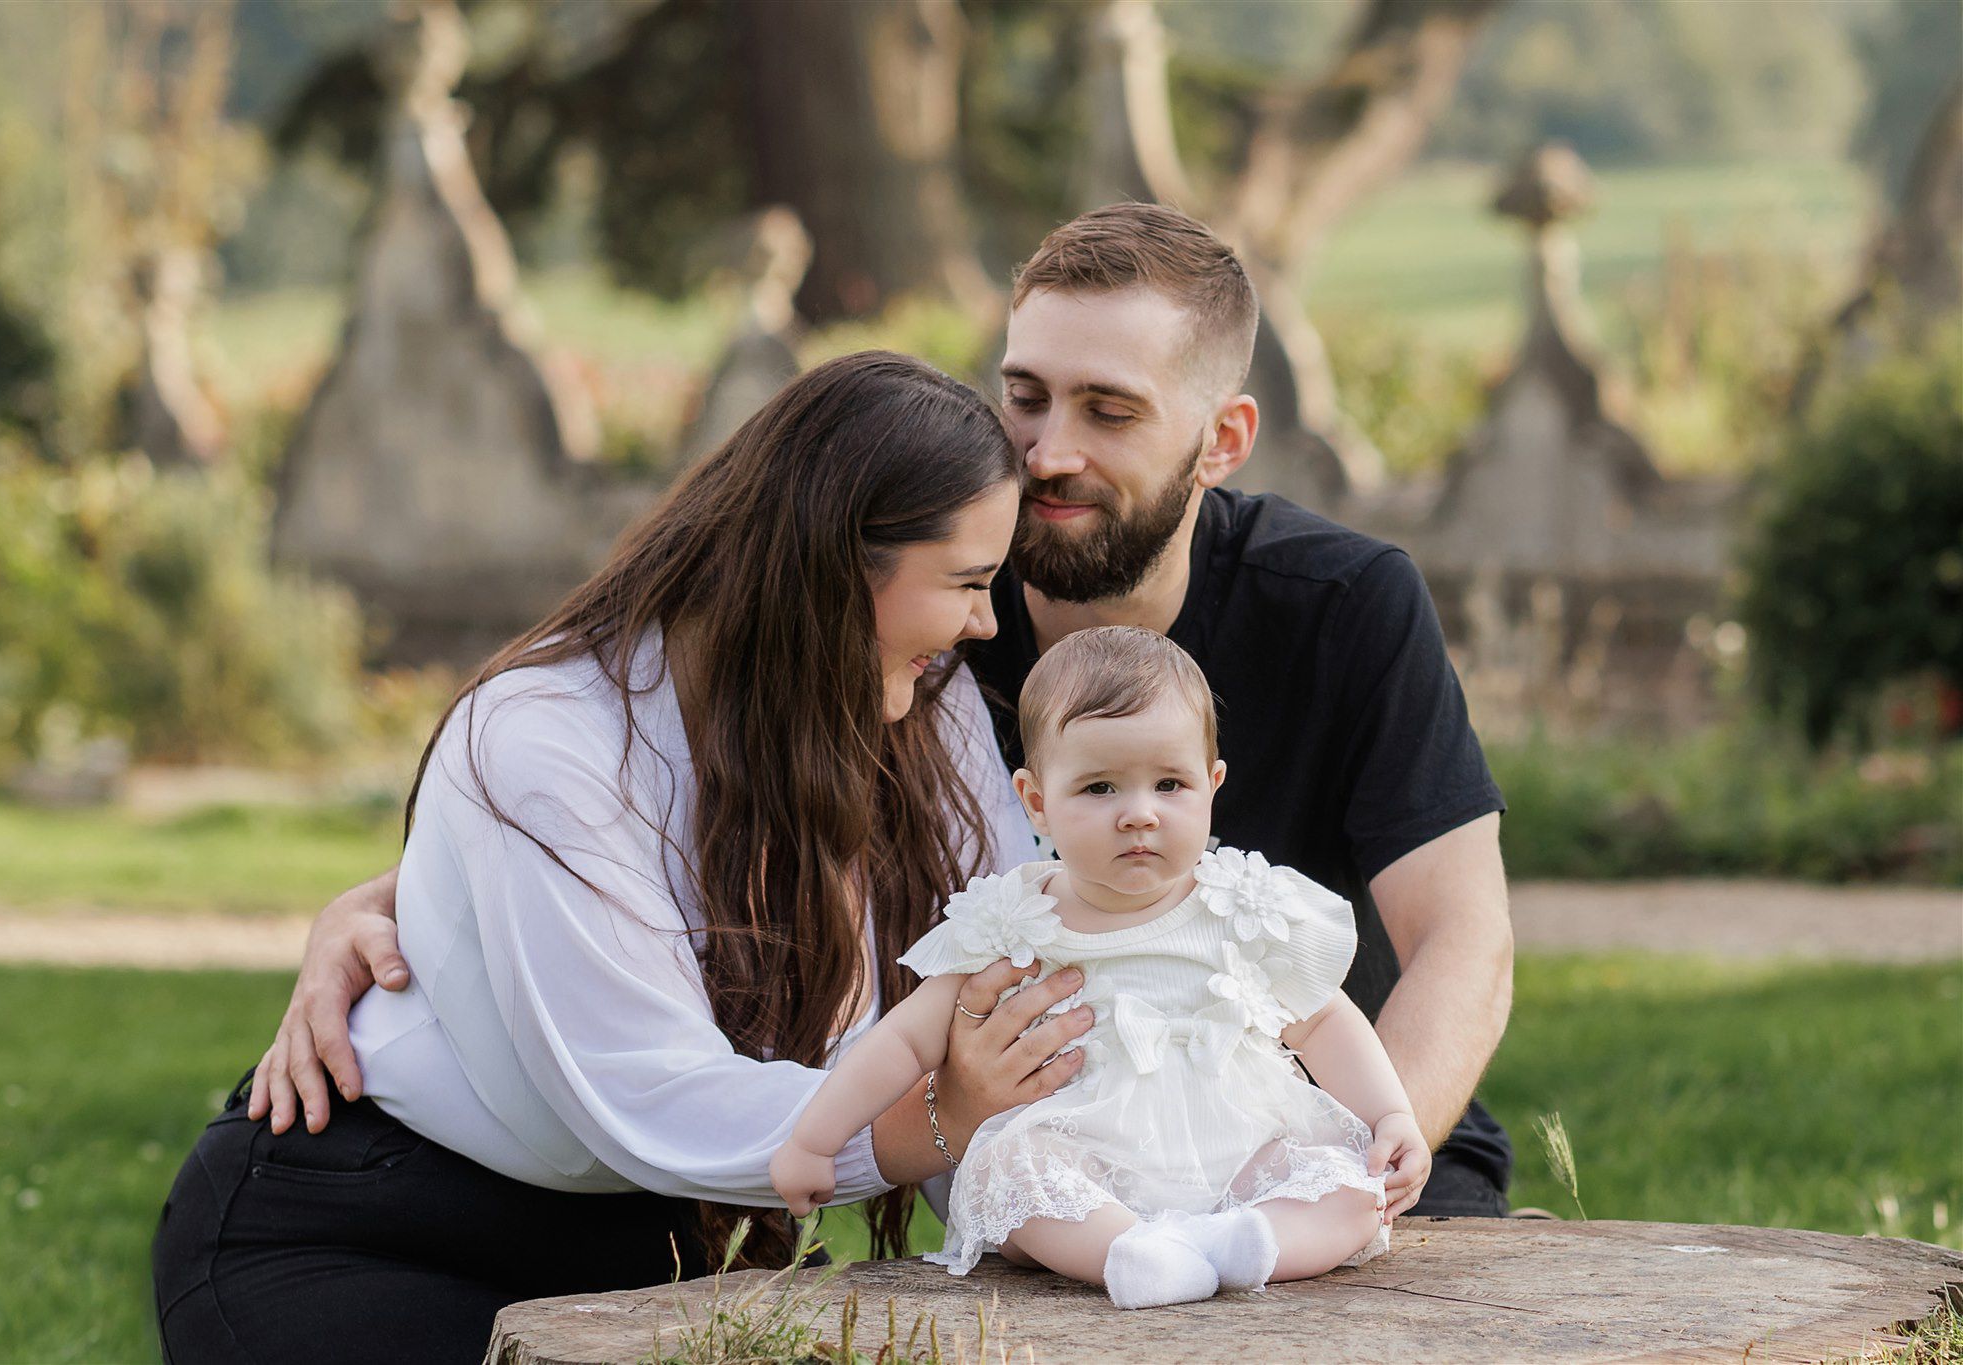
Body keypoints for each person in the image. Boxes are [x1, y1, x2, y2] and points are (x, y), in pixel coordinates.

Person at [258, 203, 1515, 1219]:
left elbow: (1463, 941)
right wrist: (397, 905)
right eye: (1025, 395)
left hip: (1327, 1119)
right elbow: (652, 783)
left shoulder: (1342, 603)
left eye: (1108, 410)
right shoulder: (923, 621)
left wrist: (1331, 1174)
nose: (1046, 451)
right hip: (1060, 1155)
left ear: (1223, 438)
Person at [151, 352, 1094, 1363]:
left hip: (659, 1241)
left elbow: (1009, 986)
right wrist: (940, 1115)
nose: (984, 621)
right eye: (966, 582)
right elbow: (655, 1094)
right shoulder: (544, 737)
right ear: (834, 568)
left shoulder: (923, 708)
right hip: (371, 1230)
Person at [773, 627, 1429, 1311]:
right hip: (1084, 1164)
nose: (1138, 814)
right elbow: (908, 1039)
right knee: (1014, 1172)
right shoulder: (1016, 921)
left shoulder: (1243, 906)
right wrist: (816, 1139)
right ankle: (1133, 1254)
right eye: (1099, 787)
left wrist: (1390, 1114)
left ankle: (1252, 1242)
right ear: (1036, 801)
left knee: (1351, 1185)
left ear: (1212, 784)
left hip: (1241, 1155)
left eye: (1169, 784)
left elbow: (1324, 1021)